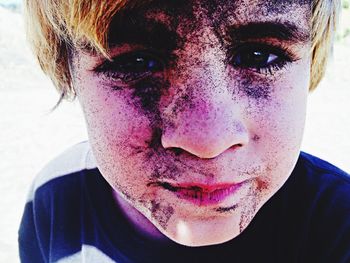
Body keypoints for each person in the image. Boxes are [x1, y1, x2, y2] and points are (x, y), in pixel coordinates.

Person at [19, 0, 349, 262]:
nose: (207, 141)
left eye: (259, 56)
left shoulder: (338, 226)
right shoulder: (55, 204)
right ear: (68, 71)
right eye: (136, 62)